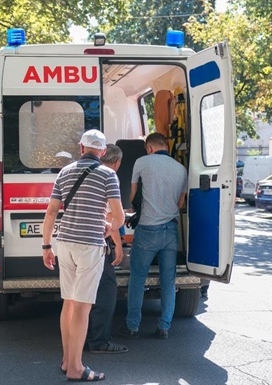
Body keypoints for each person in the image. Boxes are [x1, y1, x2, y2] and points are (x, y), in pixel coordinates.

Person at [42, 129, 125, 382]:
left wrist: (46, 246)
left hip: (64, 243)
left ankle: (67, 361)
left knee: (68, 303)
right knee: (82, 307)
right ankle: (77, 368)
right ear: (101, 152)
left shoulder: (64, 173)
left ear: (81, 148)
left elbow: (51, 212)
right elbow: (119, 217)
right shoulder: (108, 175)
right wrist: (108, 225)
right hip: (89, 246)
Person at [118, 132, 187, 340]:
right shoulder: (181, 169)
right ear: (165, 145)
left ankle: (132, 326)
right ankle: (164, 327)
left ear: (149, 147)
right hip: (170, 231)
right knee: (168, 281)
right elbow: (180, 204)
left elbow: (131, 196)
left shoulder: (142, 162)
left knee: (138, 278)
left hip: (147, 229)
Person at [86, 143, 128, 354]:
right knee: (106, 290)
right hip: (98, 242)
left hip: (76, 242)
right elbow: (111, 217)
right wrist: (118, 246)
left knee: (81, 294)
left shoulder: (80, 172)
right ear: (117, 162)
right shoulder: (109, 176)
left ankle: (81, 339)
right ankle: (99, 341)